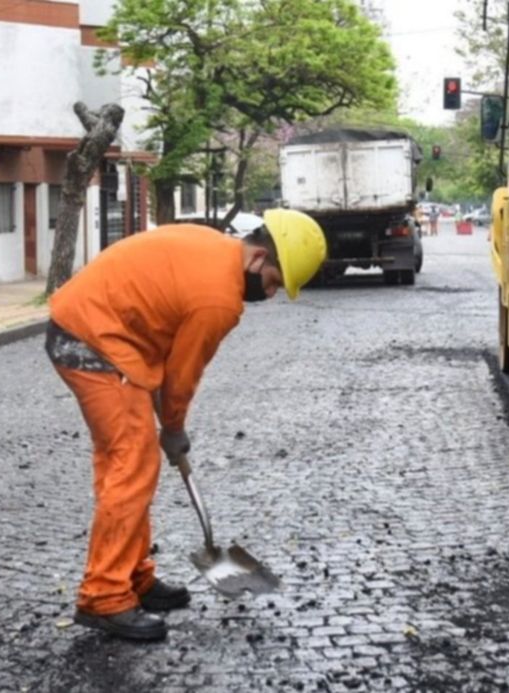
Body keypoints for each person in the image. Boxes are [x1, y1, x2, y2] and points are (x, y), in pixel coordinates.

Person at [45, 209, 326, 642]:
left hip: (97, 331)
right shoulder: (219, 299)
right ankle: (103, 596)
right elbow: (181, 375)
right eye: (273, 282)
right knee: (132, 467)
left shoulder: (212, 243)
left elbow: (164, 345)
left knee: (124, 464)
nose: (269, 295)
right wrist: (172, 429)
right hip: (95, 341)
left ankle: (132, 577)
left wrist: (167, 424)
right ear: (257, 261)